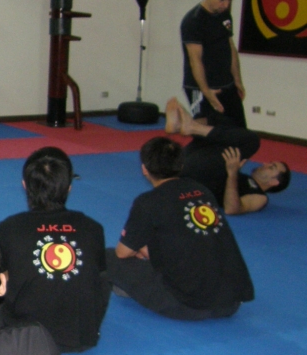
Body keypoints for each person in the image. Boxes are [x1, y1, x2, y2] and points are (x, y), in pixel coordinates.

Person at [107, 136, 254, 320]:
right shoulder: (202, 191)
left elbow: (122, 253)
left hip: (189, 305)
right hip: (231, 301)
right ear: (181, 165)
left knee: (108, 257)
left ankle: (130, 290)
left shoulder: (148, 202)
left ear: (144, 169)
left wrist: (140, 248)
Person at [0, 147, 111, 353]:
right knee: (104, 267)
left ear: (24, 185)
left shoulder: (8, 229)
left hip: (22, 338)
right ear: (69, 188)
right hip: (81, 337)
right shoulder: (93, 227)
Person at [164, 97, 290, 214]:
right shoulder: (244, 177)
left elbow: (231, 209)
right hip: (184, 163)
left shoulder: (260, 197)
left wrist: (232, 173)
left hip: (194, 178)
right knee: (227, 121)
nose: (265, 164)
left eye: (271, 167)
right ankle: (181, 126)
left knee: (252, 141)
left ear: (274, 182)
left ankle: (191, 126)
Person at [180, 0, 246, 128]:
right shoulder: (193, 21)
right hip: (199, 87)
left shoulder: (224, 15)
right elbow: (195, 59)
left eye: (229, 0)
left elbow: (230, 48)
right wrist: (206, 92)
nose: (226, 5)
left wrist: (237, 80)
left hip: (225, 83)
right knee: (206, 132)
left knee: (239, 131)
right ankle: (180, 125)